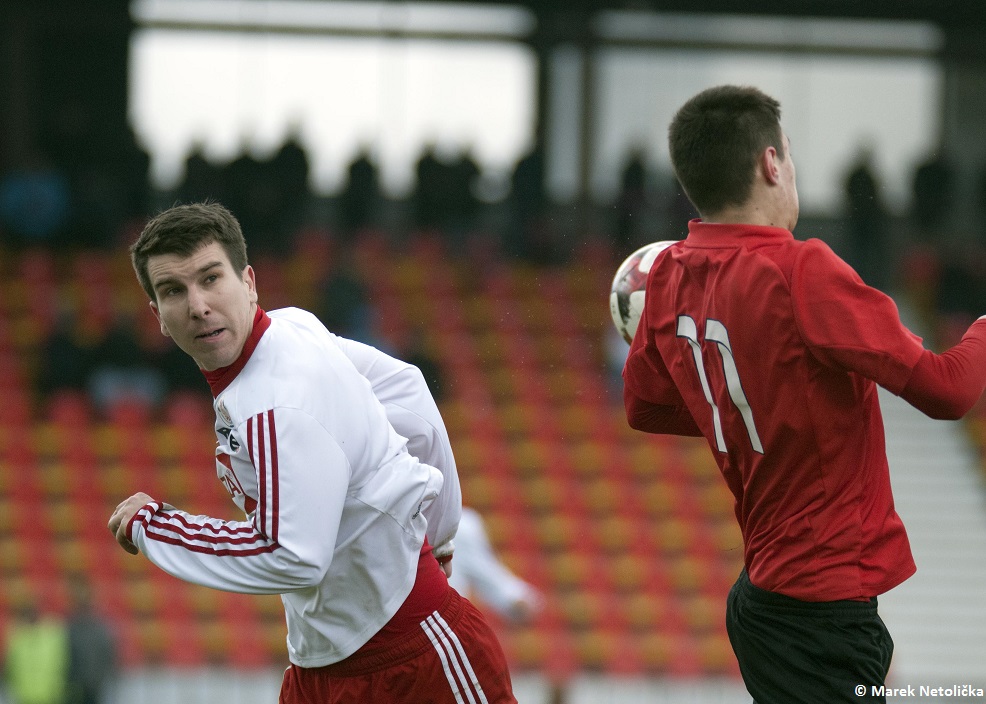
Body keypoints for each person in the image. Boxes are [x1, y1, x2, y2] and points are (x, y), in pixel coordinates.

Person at [622, 85, 986, 704]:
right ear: (771, 162)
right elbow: (947, 390)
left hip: (763, 604)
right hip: (822, 610)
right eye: (789, 155)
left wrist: (755, 405)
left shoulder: (668, 274)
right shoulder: (801, 271)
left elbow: (645, 406)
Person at [107, 202, 516, 703]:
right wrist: (442, 536)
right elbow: (407, 390)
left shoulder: (275, 404)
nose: (198, 305)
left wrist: (156, 527)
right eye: (174, 290)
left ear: (248, 282)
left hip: (414, 660)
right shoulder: (292, 327)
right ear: (158, 316)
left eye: (211, 279)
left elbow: (295, 557)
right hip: (319, 667)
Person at [448, 507, 544, 625]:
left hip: (441, 620)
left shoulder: (460, 525)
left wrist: (514, 597)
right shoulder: (461, 523)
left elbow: (485, 571)